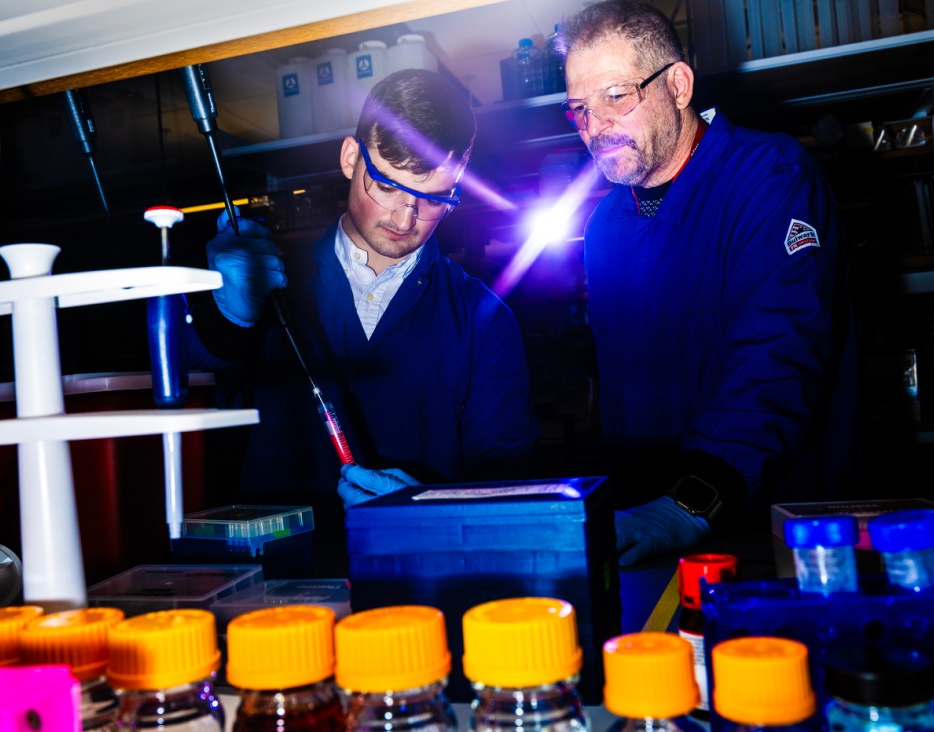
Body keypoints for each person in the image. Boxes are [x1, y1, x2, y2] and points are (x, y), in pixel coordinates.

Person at [553, 0, 859, 565]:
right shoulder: (603, 229)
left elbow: (778, 362)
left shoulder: (769, 177)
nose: (595, 127)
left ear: (678, 85)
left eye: (616, 96)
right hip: (648, 531)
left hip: (768, 529)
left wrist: (690, 501)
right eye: (579, 109)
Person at [187, 69, 538, 550]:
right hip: (275, 588)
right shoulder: (270, 285)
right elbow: (190, 399)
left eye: (433, 199)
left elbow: (507, 482)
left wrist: (429, 509)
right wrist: (227, 320)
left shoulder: (484, 321)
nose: (404, 218)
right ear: (352, 158)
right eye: (388, 187)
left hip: (418, 582)